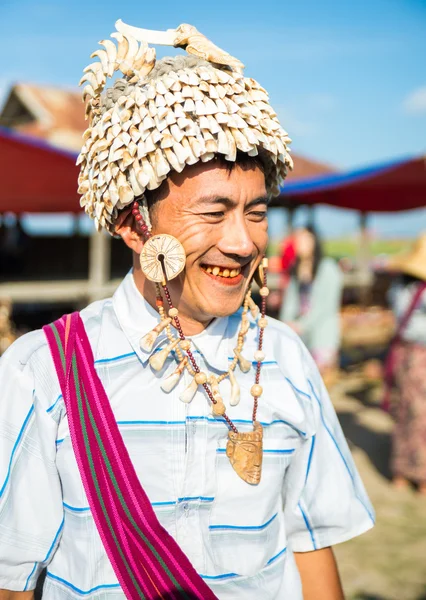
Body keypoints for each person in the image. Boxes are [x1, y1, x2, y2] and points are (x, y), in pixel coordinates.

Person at [0, 20, 373, 600]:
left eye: (255, 212)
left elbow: (310, 546)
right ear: (132, 222)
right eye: (213, 211)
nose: (243, 242)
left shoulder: (285, 358)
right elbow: (12, 578)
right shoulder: (41, 372)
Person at [385, 233, 426, 494]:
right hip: (421, 355)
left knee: (402, 411)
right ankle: (421, 475)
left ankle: (401, 471)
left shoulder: (398, 288)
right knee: (421, 415)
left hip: (402, 352)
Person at [279, 226, 342, 379]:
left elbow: (326, 306)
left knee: (319, 384)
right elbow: (290, 301)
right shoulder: (297, 268)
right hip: (300, 336)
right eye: (298, 240)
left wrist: (301, 325)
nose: (300, 244)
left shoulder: (328, 268)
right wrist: (285, 324)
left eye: (305, 239)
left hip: (322, 335)